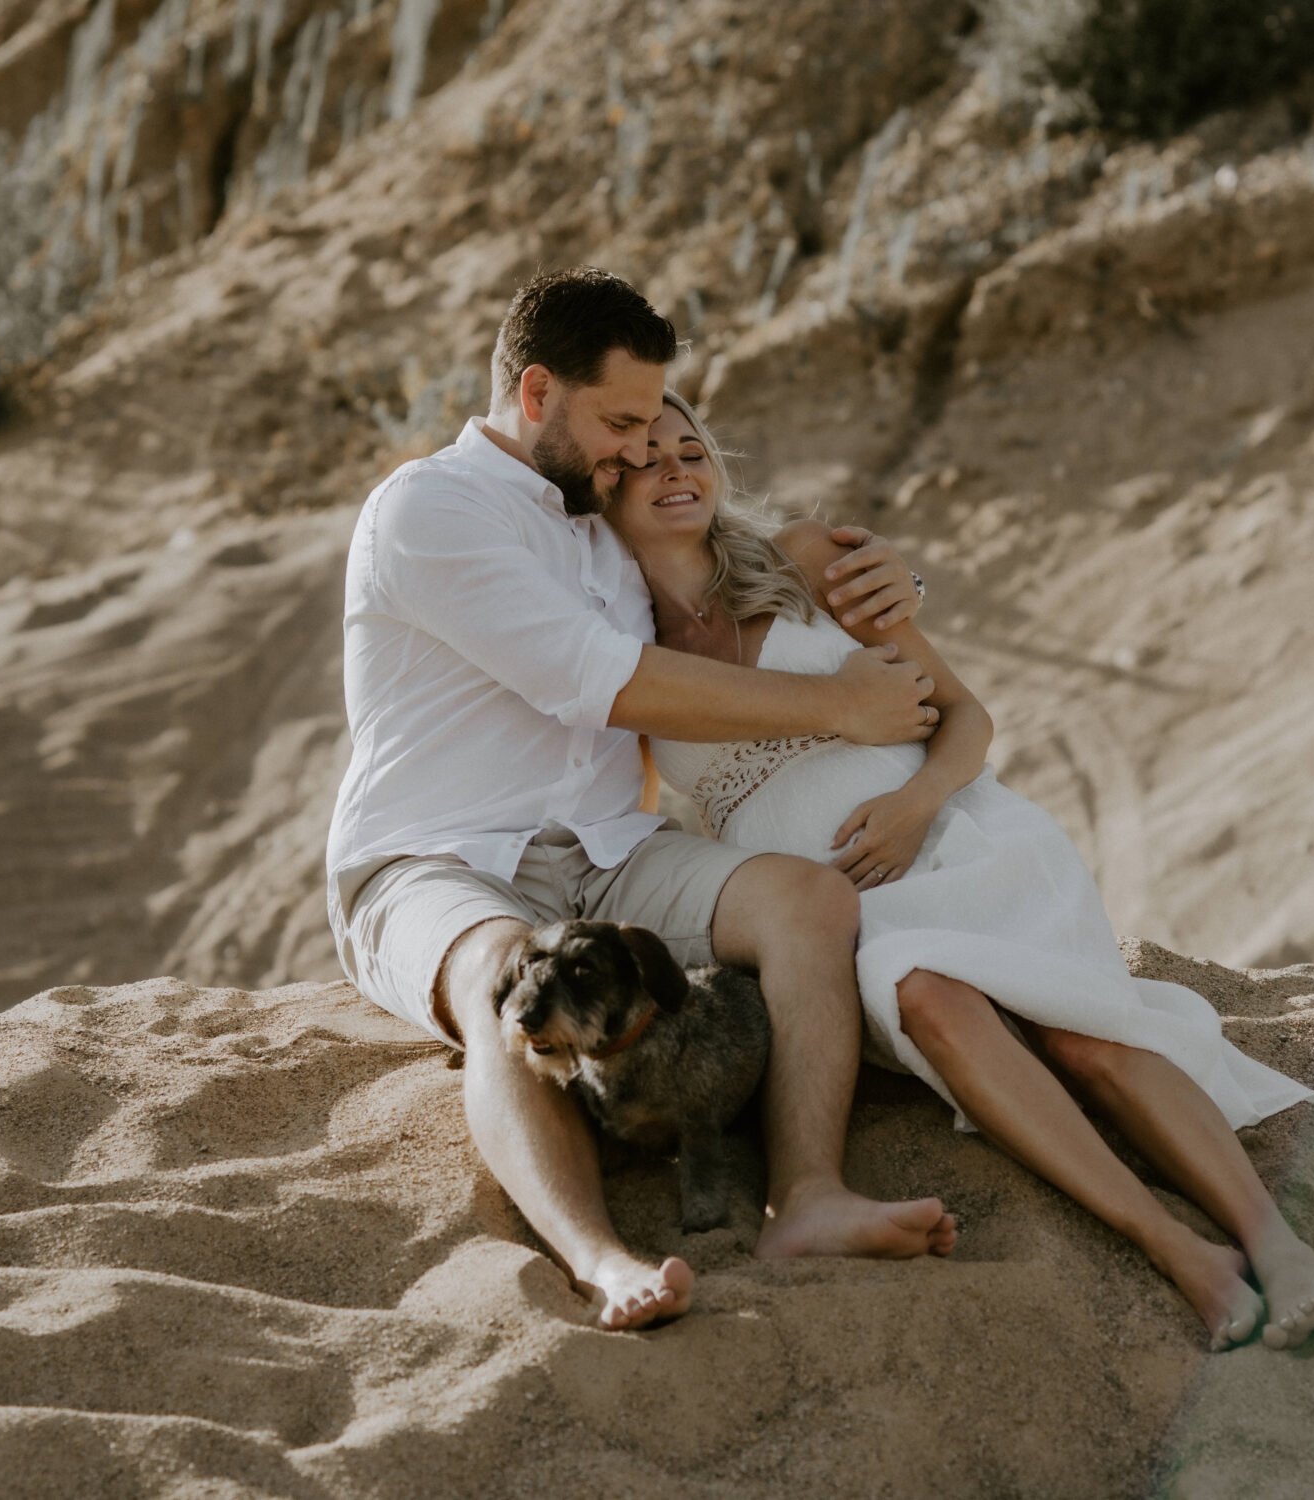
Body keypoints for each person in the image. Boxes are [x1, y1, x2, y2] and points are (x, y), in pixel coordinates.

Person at [607, 390, 1314, 1351]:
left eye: (690, 448)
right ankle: (1177, 1250)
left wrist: (916, 810)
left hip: (962, 837)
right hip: (843, 907)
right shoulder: (623, 652)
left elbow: (965, 715)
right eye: (646, 457)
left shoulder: (805, 557)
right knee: (925, 996)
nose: (675, 467)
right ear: (607, 493)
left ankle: (1276, 1245)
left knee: (1087, 1040)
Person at [326, 268, 956, 1333]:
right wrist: (839, 706)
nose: (637, 445)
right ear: (535, 395)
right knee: (504, 974)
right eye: (618, 420)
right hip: (440, 859)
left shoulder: (597, 513)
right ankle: (601, 1259)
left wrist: (885, 581)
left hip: (612, 849)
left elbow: (725, 558)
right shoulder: (429, 509)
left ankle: (807, 1196)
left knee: (808, 903)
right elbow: (606, 679)